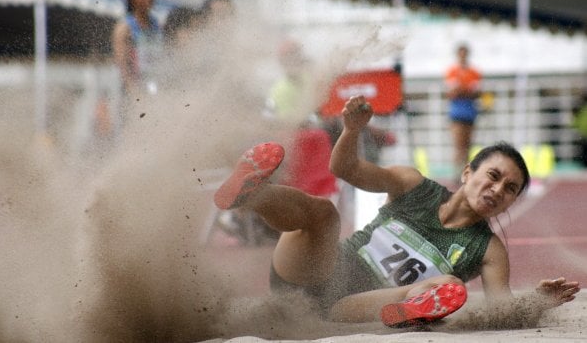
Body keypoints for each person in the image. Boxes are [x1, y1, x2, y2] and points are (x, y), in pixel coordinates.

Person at [212, 95, 580, 326]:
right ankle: (253, 195)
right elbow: (345, 170)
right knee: (325, 213)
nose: (497, 190)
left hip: (349, 307)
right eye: (493, 176)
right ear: (468, 172)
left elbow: (500, 309)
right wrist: (352, 131)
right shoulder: (413, 186)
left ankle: (408, 314)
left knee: (450, 286)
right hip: (310, 273)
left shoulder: (488, 249)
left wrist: (537, 302)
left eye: (510, 189)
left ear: (513, 201)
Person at [112, 0, 162, 100]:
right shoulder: (124, 27)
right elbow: (121, 60)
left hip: (154, 81)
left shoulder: (156, 24)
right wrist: (132, 88)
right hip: (133, 85)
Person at [445, 43, 482, 182]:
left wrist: (463, 90)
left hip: (470, 113)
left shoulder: (474, 72)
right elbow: (453, 92)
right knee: (458, 145)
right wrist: (467, 91)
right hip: (457, 114)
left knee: (468, 145)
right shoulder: (452, 71)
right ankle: (456, 173)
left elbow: (477, 92)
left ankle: (466, 172)